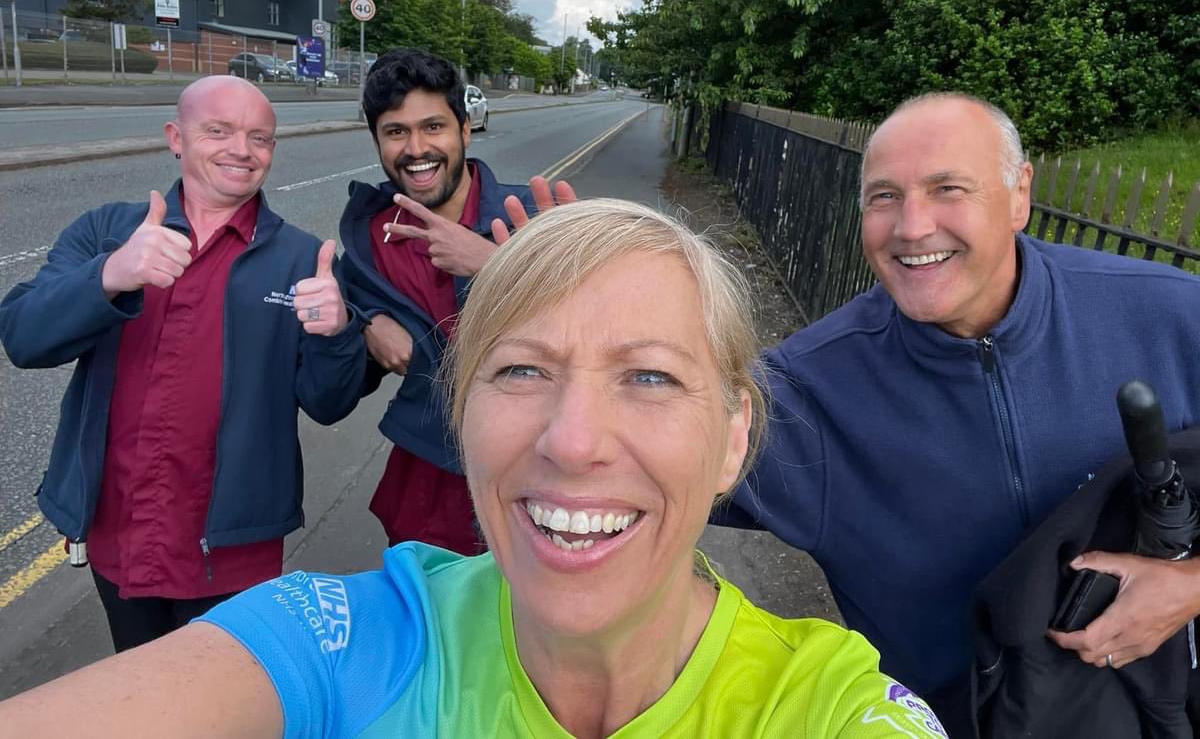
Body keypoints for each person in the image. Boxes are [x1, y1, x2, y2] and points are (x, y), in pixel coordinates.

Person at [0, 199, 947, 738]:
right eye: (522, 370)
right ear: (462, 410)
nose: (574, 441)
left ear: (734, 436)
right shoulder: (338, 639)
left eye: (650, 375)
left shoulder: (828, 707)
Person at [721, 91, 1200, 730]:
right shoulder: (805, 392)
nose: (913, 226)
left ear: (1019, 194)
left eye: (948, 188)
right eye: (884, 196)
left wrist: (1191, 585)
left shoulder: (1171, 318)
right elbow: (627, 469)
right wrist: (577, 341)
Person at [0, 75, 366, 652]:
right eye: (218, 131)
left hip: (235, 545)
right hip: (121, 531)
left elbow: (329, 402)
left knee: (224, 698)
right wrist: (111, 275)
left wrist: (338, 332)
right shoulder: (108, 233)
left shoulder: (302, 257)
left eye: (259, 138)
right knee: (143, 685)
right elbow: (24, 339)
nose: (241, 151)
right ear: (176, 137)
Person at [338, 47, 573, 554]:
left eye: (434, 127)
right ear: (378, 142)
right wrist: (361, 323)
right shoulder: (367, 241)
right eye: (396, 132)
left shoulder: (532, 216)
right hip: (429, 486)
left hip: (541, 476)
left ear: (466, 130)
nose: (416, 148)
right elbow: (330, 391)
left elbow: (608, 332)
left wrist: (493, 264)